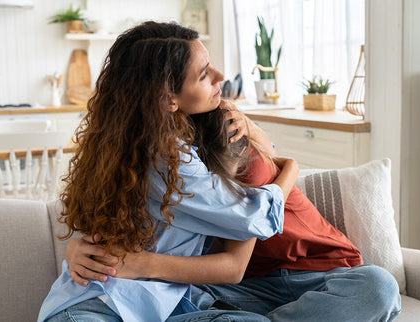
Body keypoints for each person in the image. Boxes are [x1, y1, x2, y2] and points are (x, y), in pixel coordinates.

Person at [38, 21, 300, 322]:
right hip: (97, 309)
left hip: (138, 306)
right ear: (167, 99)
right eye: (204, 75)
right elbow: (252, 216)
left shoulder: (127, 142)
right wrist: (292, 167)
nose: (220, 77)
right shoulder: (167, 157)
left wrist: (248, 125)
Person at [67, 107, 402, 321]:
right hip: (242, 292)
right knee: (175, 297)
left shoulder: (233, 143)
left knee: (378, 287)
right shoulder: (174, 169)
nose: (218, 81)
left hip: (321, 272)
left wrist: (276, 154)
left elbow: (252, 222)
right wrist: (79, 248)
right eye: (203, 75)